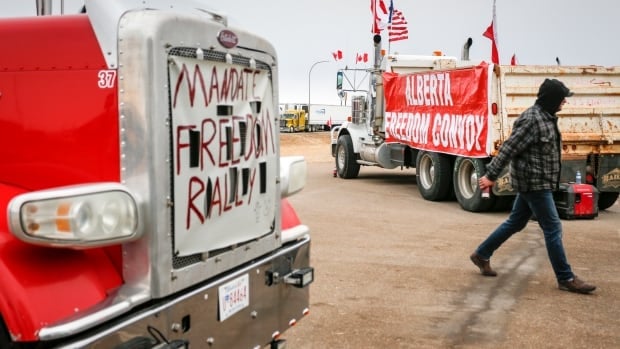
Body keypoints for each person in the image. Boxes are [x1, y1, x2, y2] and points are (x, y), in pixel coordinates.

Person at [470, 78, 596, 294]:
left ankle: (482, 254)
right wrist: (491, 175)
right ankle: (565, 278)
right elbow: (509, 148)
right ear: (552, 99)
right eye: (562, 98)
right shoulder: (532, 120)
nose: (564, 102)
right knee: (553, 227)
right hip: (534, 184)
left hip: (538, 181)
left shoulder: (546, 118)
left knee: (515, 222)